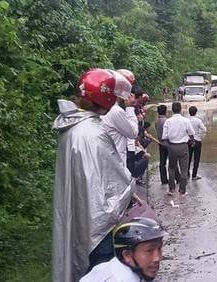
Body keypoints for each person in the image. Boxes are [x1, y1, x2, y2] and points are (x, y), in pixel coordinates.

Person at [52, 69, 133, 281]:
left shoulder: (70, 127)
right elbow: (117, 180)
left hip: (80, 216)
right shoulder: (94, 133)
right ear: (106, 99)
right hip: (99, 227)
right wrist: (130, 188)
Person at [80, 217, 166, 282]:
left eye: (159, 248)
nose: (157, 258)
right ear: (127, 255)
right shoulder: (121, 279)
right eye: (149, 251)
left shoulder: (115, 267)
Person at [101, 70, 139, 166]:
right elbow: (133, 133)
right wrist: (130, 108)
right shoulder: (115, 111)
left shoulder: (104, 107)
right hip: (116, 165)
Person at [161, 102, 195, 195]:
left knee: (171, 168)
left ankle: (172, 189)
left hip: (172, 146)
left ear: (172, 110)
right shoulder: (186, 120)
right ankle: (182, 190)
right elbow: (191, 133)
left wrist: (169, 145)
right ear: (180, 109)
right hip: (183, 146)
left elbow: (164, 137)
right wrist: (192, 141)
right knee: (184, 168)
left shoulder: (168, 121)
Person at [187, 106, 208, 180]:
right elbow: (205, 130)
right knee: (196, 159)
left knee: (188, 158)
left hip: (188, 141)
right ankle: (194, 175)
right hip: (197, 141)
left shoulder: (186, 120)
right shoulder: (198, 121)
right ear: (196, 112)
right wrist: (199, 133)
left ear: (189, 112)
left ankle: (187, 174)